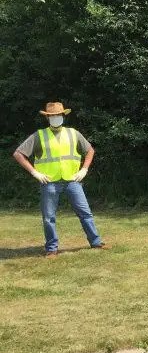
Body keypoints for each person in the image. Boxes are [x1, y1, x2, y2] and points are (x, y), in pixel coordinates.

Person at [12, 101, 108, 258]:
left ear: (63, 115)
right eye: (52, 116)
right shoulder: (39, 135)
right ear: (48, 118)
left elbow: (90, 150)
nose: (56, 117)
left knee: (86, 213)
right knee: (48, 217)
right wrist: (35, 173)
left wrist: (84, 169)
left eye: (58, 115)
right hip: (49, 183)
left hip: (73, 181)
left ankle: (96, 242)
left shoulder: (73, 133)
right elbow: (18, 154)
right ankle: (51, 249)